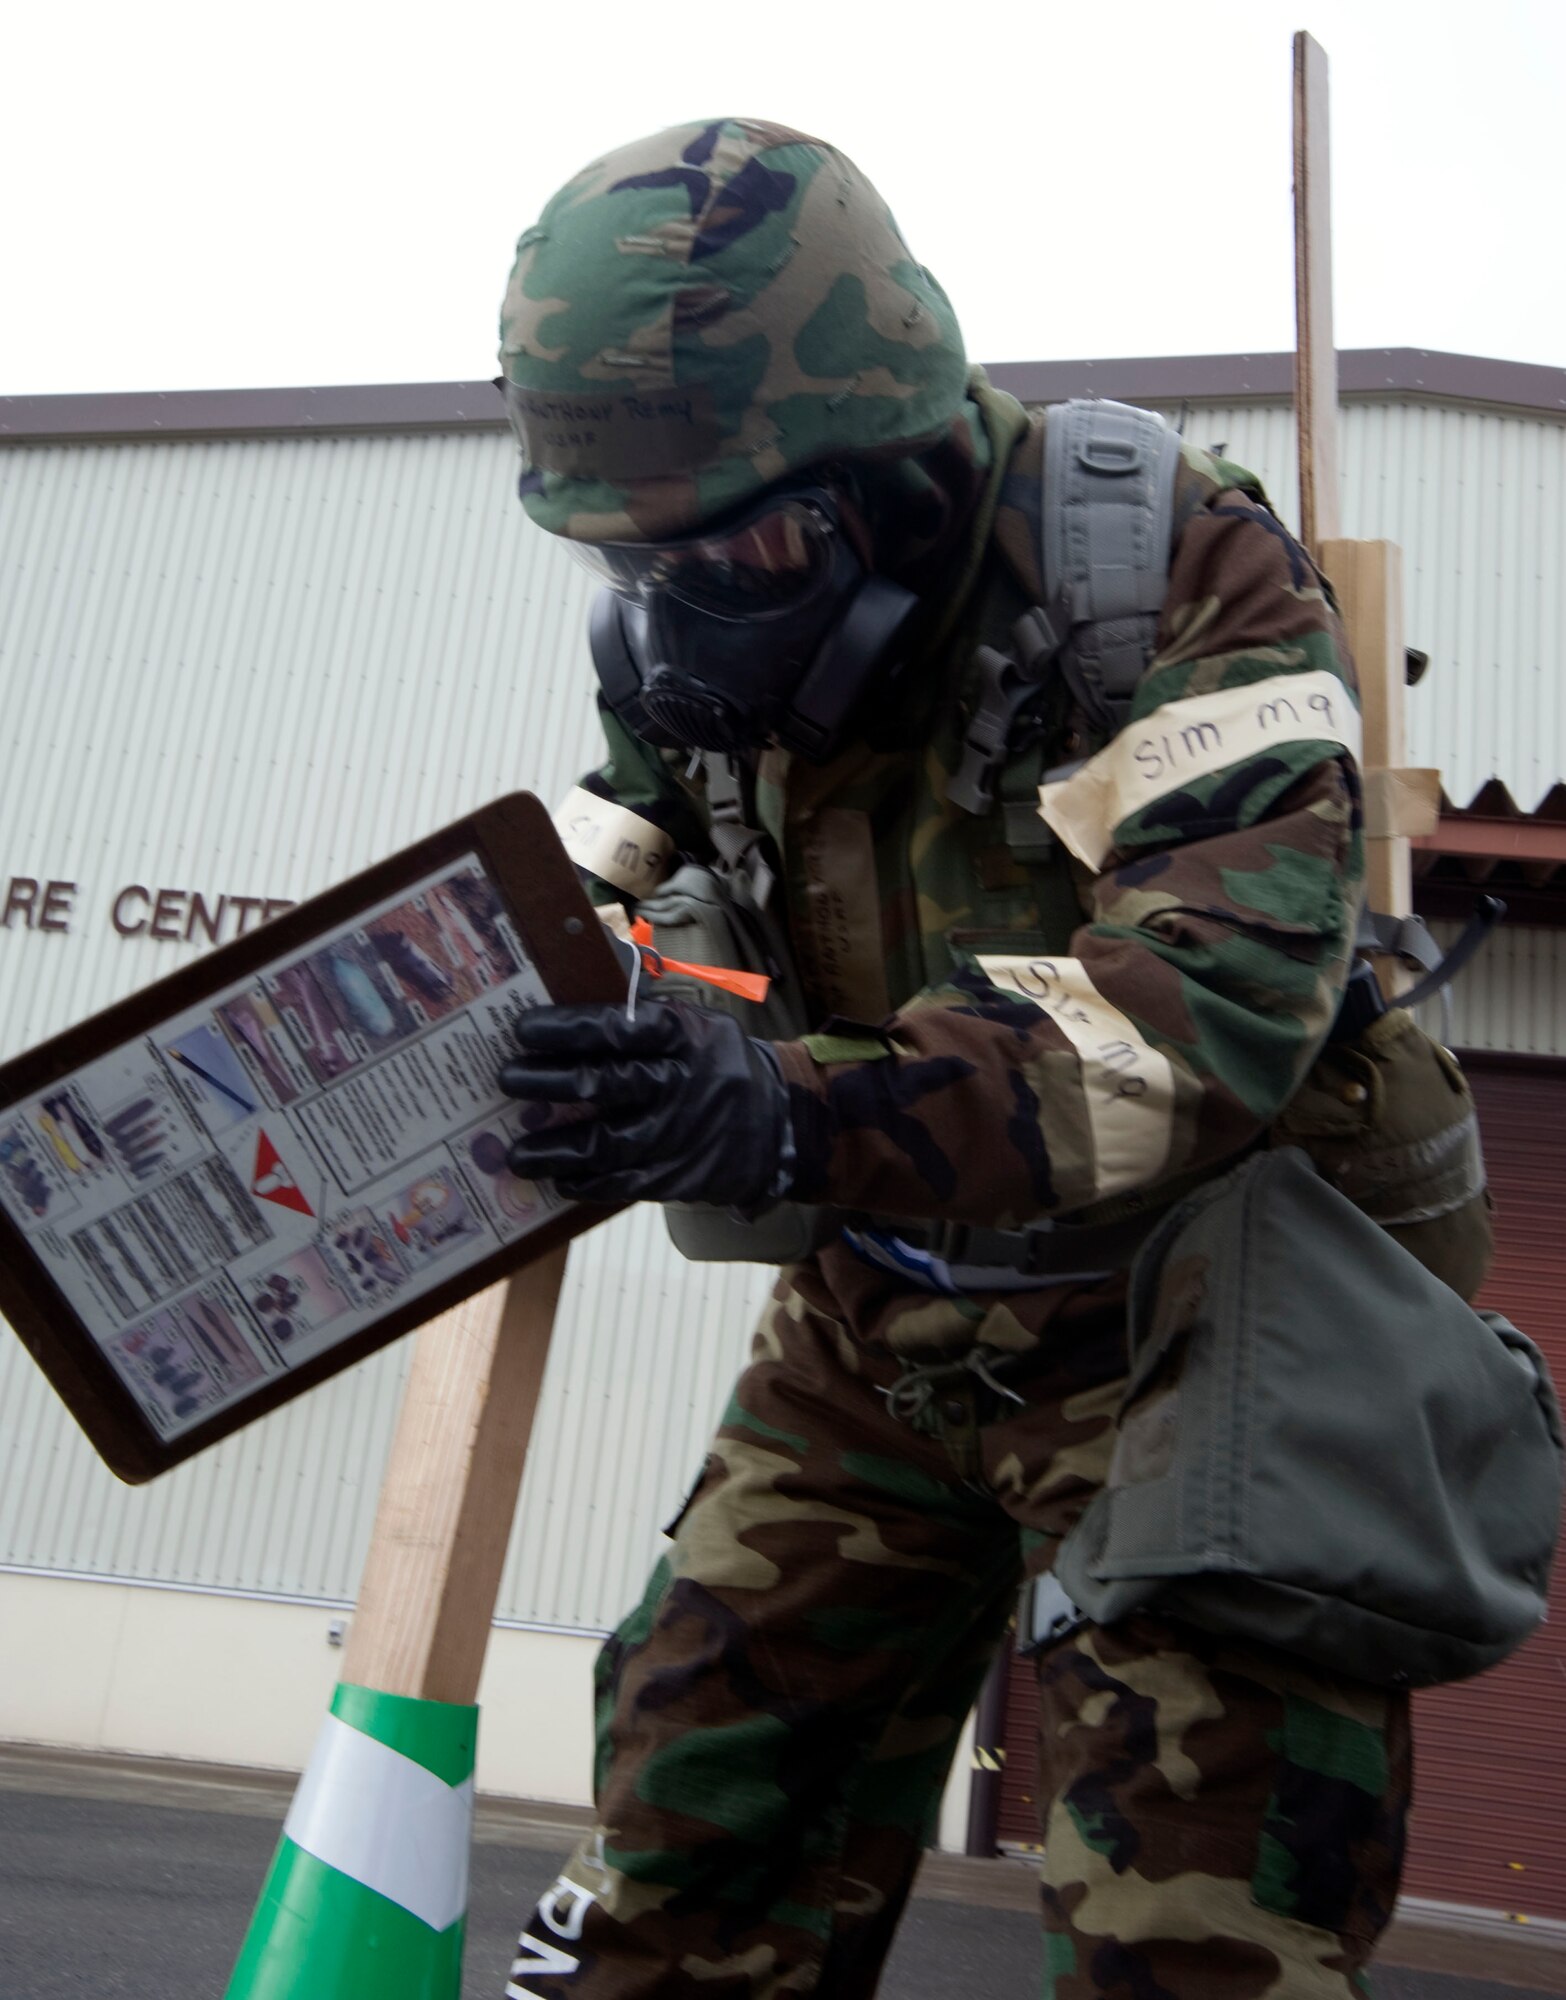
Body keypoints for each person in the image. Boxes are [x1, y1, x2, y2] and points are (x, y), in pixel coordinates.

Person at [493, 118, 1405, 1999]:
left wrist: (784, 1106)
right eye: (633, 552)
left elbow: (1206, 1010)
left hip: (1192, 1311)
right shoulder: (682, 620)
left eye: (739, 531)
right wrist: (596, 1023)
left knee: (1196, 1920)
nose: (684, 595)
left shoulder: (1166, 567)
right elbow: (624, 884)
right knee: (686, 1838)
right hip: (881, 1312)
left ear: (887, 460)